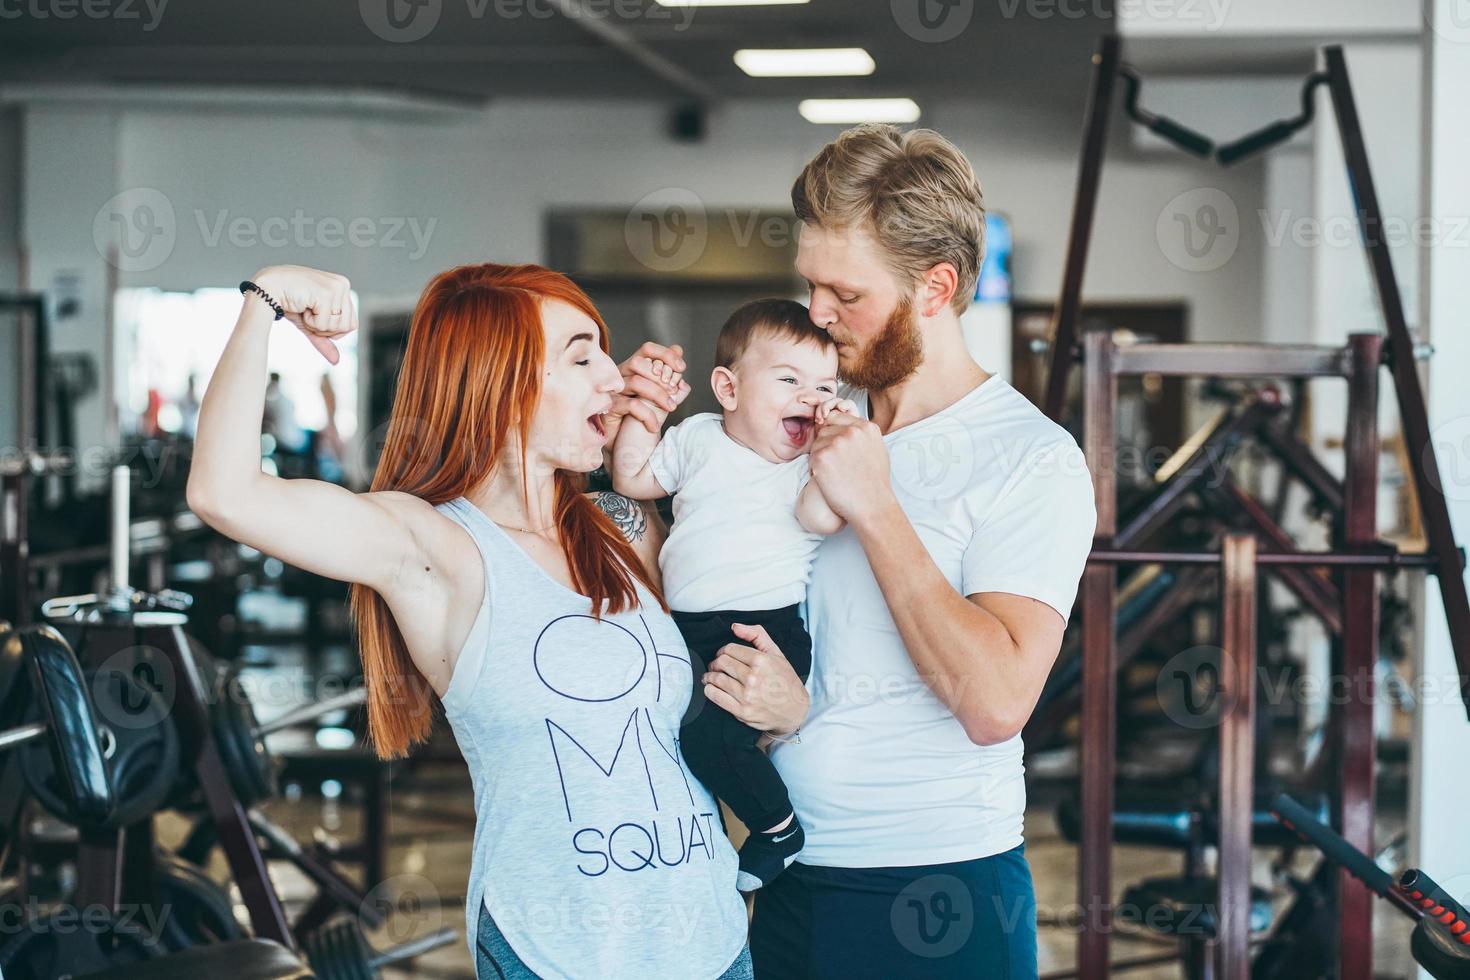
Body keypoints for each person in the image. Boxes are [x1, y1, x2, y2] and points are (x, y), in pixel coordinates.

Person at [187, 262, 810, 979]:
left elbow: (734, 658)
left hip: (711, 941)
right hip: (557, 955)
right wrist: (264, 302)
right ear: (501, 381)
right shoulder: (436, 549)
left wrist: (787, 711)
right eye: (581, 357)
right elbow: (223, 492)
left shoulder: (621, 528)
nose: (612, 376)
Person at [736, 125, 1098, 976]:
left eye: (844, 293)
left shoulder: (1031, 456)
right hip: (787, 874)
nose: (817, 314)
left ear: (935, 287)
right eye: (810, 285)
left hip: (938, 892)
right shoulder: (803, 419)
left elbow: (997, 703)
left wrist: (878, 508)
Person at [609, 298, 854, 892]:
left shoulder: (800, 471)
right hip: (687, 628)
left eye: (825, 386)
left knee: (716, 737)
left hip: (764, 632)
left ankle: (777, 829)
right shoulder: (696, 438)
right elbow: (633, 479)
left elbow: (824, 520)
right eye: (789, 379)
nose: (811, 397)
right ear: (728, 388)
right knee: (675, 735)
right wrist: (644, 416)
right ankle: (703, 846)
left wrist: (829, 451)